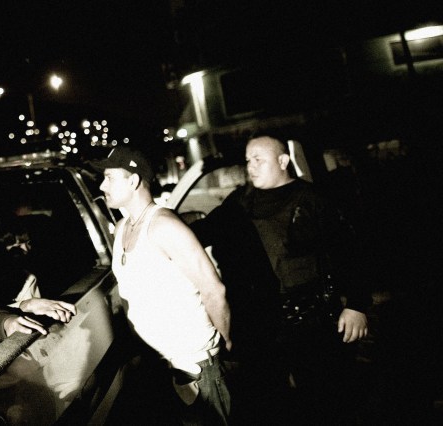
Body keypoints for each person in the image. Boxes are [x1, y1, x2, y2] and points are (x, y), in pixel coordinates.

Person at [190, 133, 369, 425]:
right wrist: (163, 229)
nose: (251, 166)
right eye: (248, 160)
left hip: (311, 323)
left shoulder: (314, 201)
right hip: (259, 325)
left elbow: (352, 253)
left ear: (283, 161)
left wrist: (357, 305)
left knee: (327, 401)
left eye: (259, 159)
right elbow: (203, 231)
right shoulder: (239, 202)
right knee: (265, 403)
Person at [93, 145, 233, 425]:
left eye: (109, 177)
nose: (101, 184)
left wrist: (225, 342)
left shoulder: (165, 226)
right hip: (159, 362)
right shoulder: (122, 229)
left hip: (193, 365)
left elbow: (213, 289)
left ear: (133, 181)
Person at [0, 215, 77, 341]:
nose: (25, 249)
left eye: (27, 243)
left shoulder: (30, 274)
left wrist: (27, 305)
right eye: (17, 245)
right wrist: (23, 307)